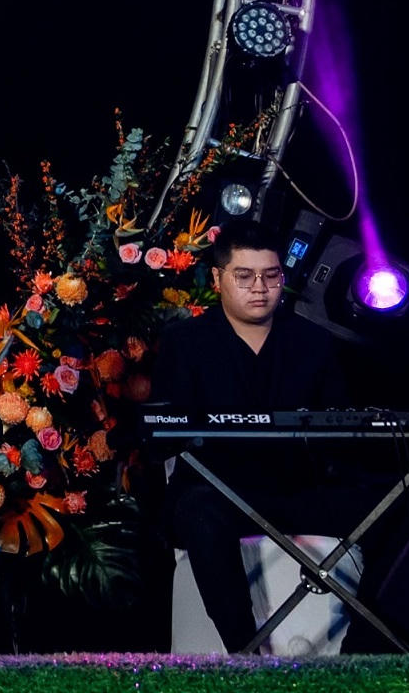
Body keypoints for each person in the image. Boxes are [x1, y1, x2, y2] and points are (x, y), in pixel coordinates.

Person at [154, 217, 352, 653]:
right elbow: (163, 429)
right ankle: (245, 656)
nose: (260, 288)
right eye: (244, 276)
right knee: (197, 511)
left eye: (271, 275)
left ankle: (369, 650)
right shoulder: (185, 343)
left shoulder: (314, 342)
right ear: (218, 279)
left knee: (395, 504)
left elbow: (338, 428)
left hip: (295, 491)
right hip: (217, 495)